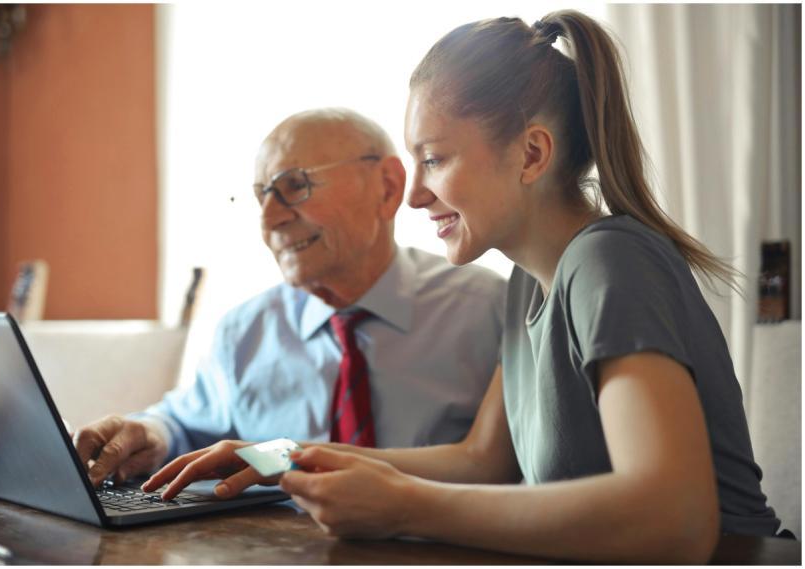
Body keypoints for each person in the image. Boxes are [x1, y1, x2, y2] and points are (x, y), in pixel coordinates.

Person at [143, 11, 782, 563]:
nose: (416, 195)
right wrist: (279, 458)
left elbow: (675, 521)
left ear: (532, 155)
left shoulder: (610, 262)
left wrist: (403, 509)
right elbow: (484, 460)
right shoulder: (527, 286)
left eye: (435, 159)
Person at [73, 108, 505, 489]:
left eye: (293, 186)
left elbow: (503, 468)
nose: (269, 220)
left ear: (388, 187)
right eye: (262, 195)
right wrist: (149, 434)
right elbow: (185, 424)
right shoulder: (245, 330)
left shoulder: (488, 309)